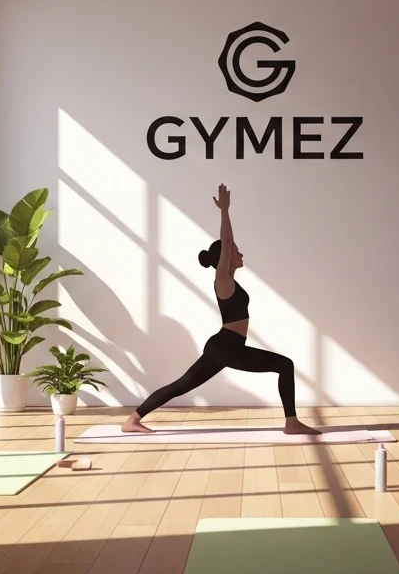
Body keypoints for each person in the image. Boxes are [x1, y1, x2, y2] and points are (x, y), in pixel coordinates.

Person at [123, 184, 319, 434]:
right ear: (224, 259)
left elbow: (228, 245)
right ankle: (291, 423)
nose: (239, 252)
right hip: (227, 347)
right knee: (285, 365)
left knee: (181, 385)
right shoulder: (222, 281)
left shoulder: (230, 282)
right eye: (235, 251)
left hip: (225, 346)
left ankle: (132, 420)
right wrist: (225, 212)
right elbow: (227, 241)